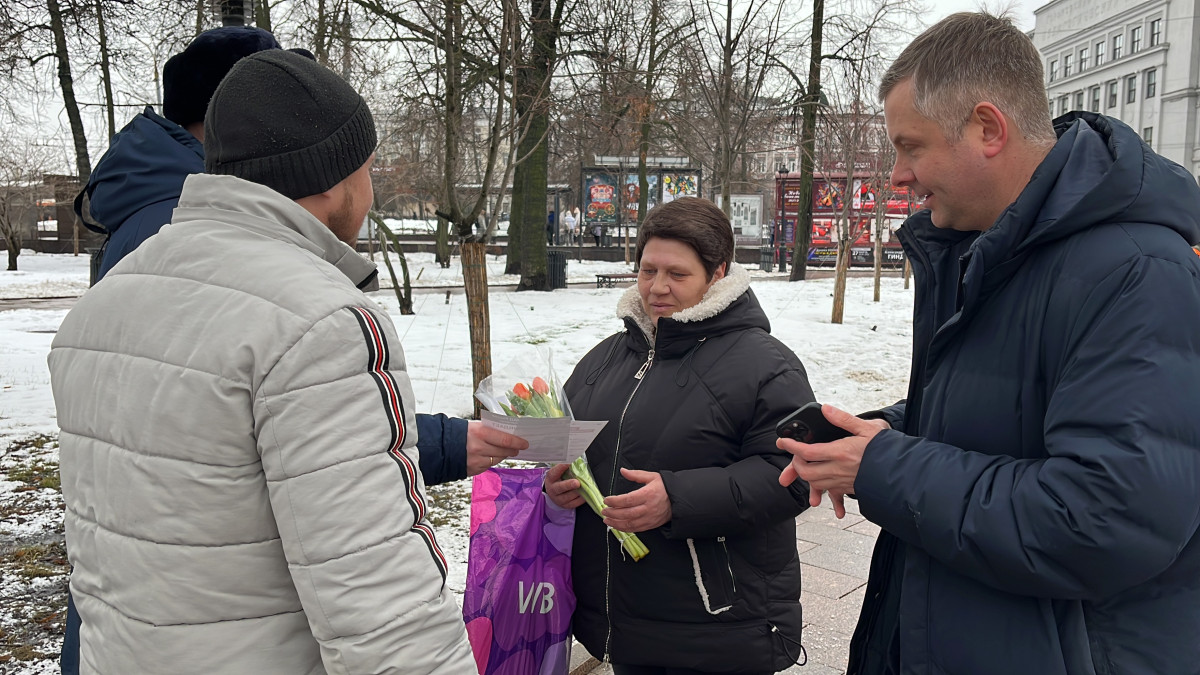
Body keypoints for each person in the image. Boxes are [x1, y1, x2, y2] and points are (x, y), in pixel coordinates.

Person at [49, 50, 524, 674]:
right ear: (334, 181)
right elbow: (375, 590)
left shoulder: (104, 304)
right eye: (369, 168)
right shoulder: (319, 319)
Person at [778, 12, 1200, 675]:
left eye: (910, 146)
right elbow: (1000, 422)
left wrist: (883, 467)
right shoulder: (991, 250)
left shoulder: (1137, 271)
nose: (897, 176)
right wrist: (876, 432)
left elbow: (1107, 519)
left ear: (988, 128)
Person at [545, 197, 815, 674]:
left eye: (677, 274)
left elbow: (793, 476)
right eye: (648, 271)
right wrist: (558, 483)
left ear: (718, 273)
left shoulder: (766, 365)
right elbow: (570, 447)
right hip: (622, 622)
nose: (657, 288)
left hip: (716, 627)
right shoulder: (605, 358)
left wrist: (679, 499)